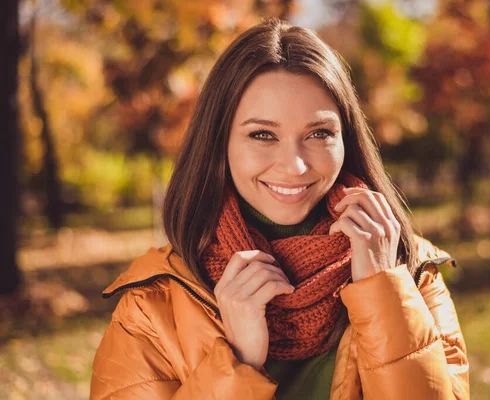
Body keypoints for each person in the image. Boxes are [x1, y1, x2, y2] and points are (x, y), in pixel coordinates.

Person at [90, 18, 469, 400]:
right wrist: (237, 362)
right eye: (262, 135)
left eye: (319, 133)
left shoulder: (410, 270)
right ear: (219, 142)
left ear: (346, 138)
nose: (295, 166)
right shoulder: (153, 305)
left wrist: (383, 292)